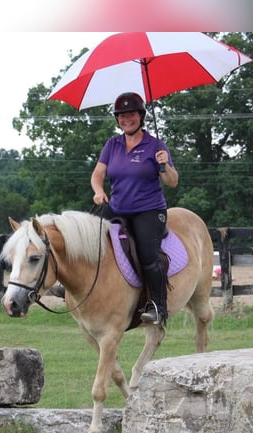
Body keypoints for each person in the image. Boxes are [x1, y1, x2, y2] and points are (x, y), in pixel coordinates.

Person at [90, 91, 179, 326]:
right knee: (86, 235)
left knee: (148, 255)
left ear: (141, 115)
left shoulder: (156, 145)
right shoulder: (113, 144)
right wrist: (99, 191)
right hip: (117, 207)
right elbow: (98, 173)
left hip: (148, 210)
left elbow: (172, 182)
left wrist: (164, 165)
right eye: (121, 115)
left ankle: (158, 307)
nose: (126, 119)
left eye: (131, 114)